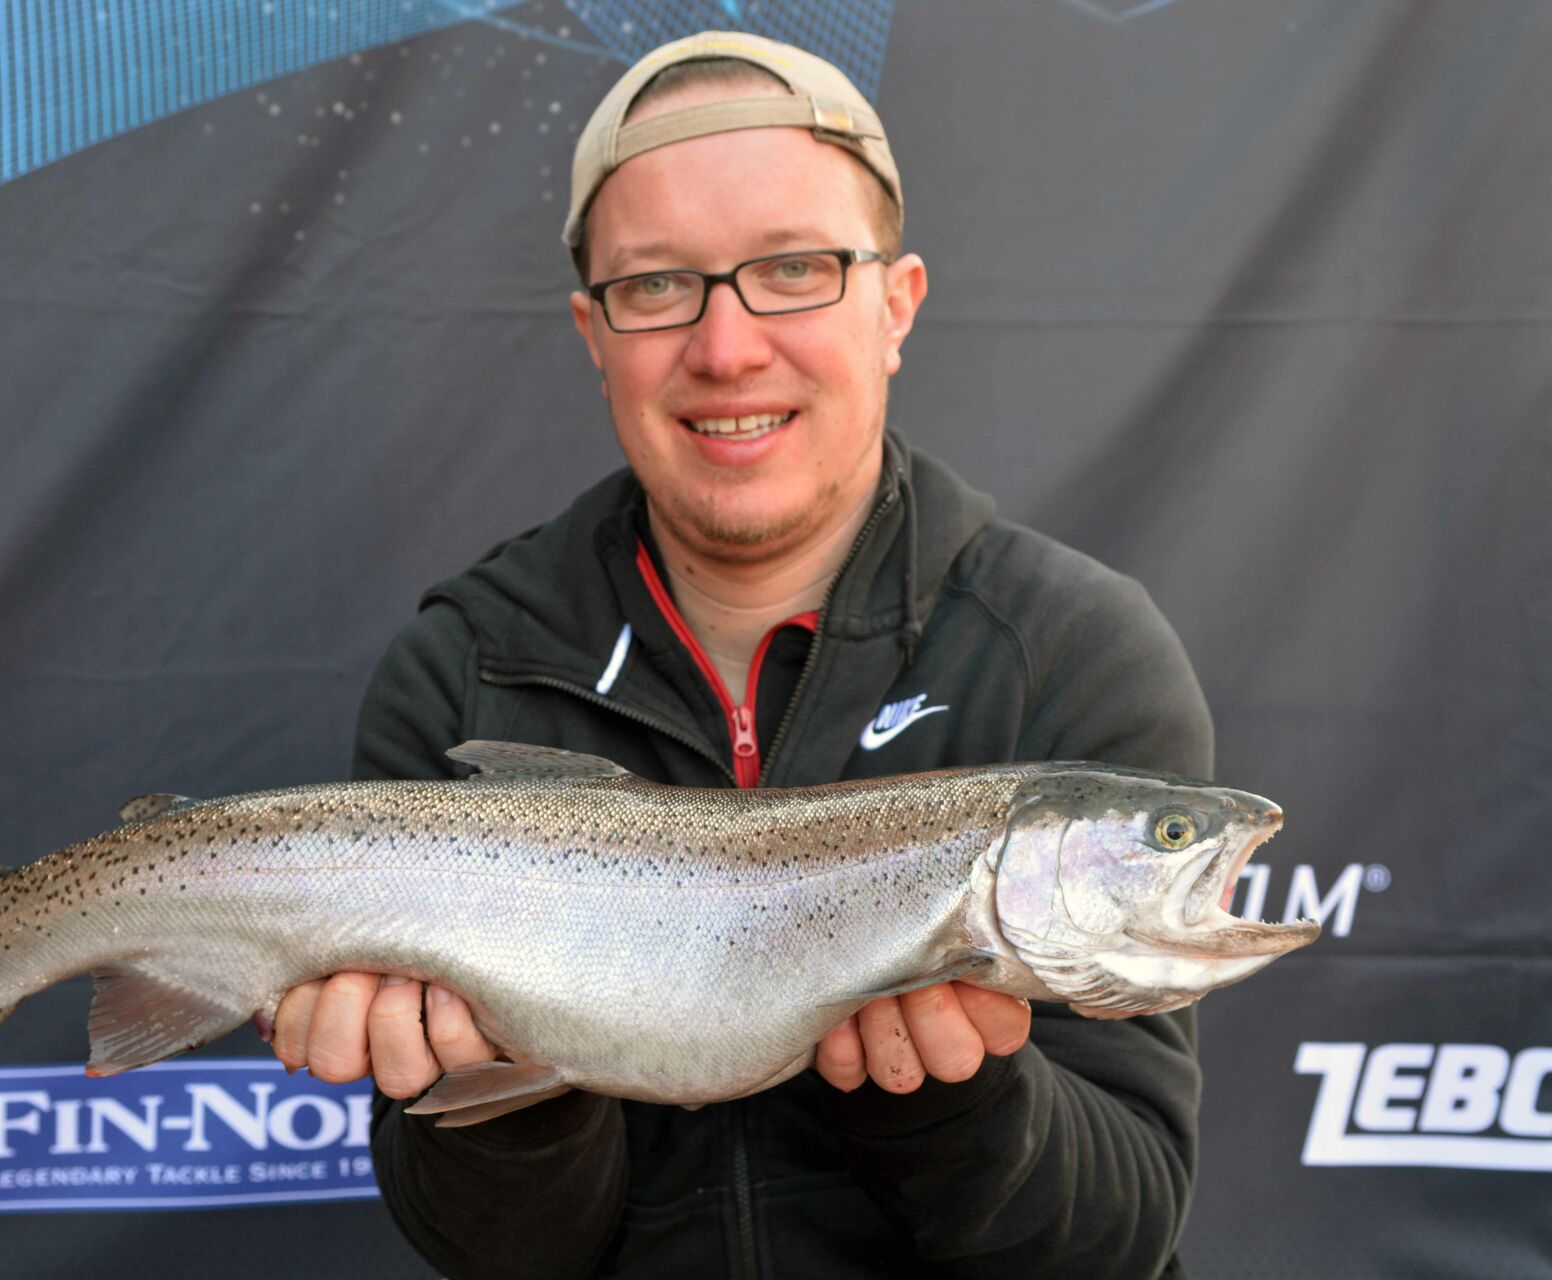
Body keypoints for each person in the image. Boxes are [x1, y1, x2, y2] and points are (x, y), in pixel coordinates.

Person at [269, 31, 1213, 1279]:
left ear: (897, 303)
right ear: (591, 331)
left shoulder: (1073, 652)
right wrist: (507, 1085)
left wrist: (955, 1100)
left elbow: (1120, 1240)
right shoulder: (464, 669)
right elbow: (501, 1255)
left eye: (795, 269)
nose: (725, 348)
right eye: (657, 285)